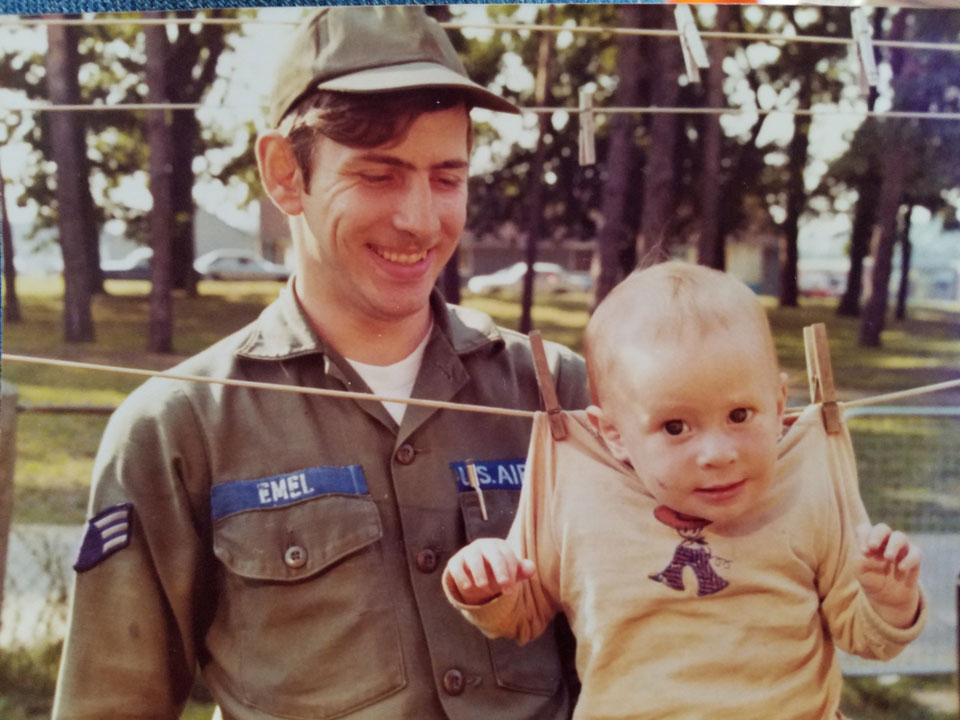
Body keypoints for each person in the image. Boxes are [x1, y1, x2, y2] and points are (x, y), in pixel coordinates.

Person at [52, 7, 589, 719]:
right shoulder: (179, 426)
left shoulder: (556, 394)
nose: (421, 220)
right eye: (379, 175)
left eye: (447, 177)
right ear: (284, 173)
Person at [443, 261, 927, 719]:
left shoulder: (805, 489)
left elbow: (867, 637)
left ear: (779, 404)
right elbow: (521, 616)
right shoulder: (579, 492)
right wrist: (489, 584)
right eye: (675, 427)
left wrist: (889, 601)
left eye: (740, 415)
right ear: (613, 434)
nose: (716, 453)